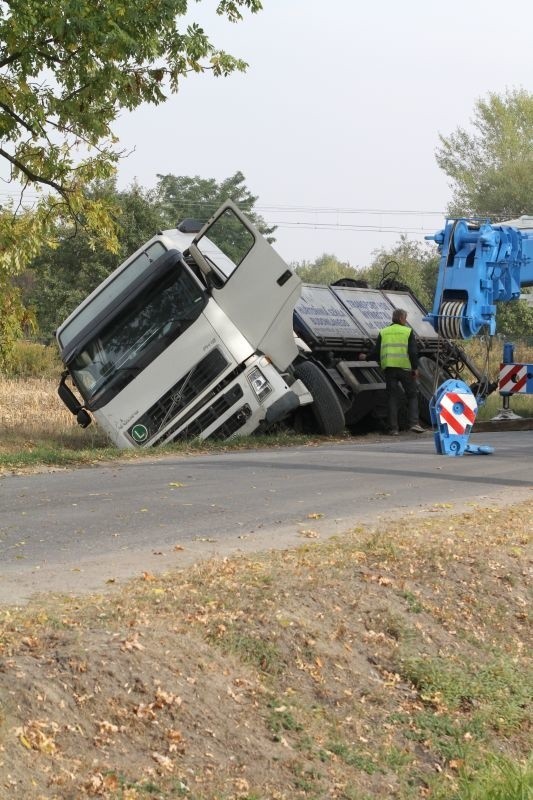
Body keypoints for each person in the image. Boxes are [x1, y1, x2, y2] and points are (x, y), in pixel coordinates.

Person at [359, 308, 425, 435]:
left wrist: (366, 357)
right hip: (405, 368)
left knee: (392, 398)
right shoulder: (407, 332)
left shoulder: (384, 332)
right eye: (405, 318)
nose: (406, 321)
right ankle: (414, 424)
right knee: (412, 395)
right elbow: (412, 352)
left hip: (389, 370)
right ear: (401, 318)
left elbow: (377, 352)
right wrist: (415, 368)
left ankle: (393, 429)